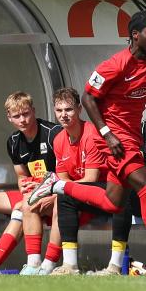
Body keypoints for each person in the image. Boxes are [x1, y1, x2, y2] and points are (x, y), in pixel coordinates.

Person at [28, 11, 146, 275]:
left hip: (132, 137)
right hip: (113, 140)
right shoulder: (116, 63)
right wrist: (106, 133)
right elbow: (88, 98)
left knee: (113, 202)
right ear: (135, 35)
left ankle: (58, 184)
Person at [0, 92, 60, 273]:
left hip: (54, 194)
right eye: (17, 116)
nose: (22, 120)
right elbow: (21, 176)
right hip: (31, 193)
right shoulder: (13, 141)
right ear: (9, 118)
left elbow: (66, 174)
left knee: (23, 207)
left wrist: (40, 189)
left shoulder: (53, 133)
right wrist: (24, 185)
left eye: (26, 113)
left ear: (34, 111)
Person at [46, 87, 124, 275]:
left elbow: (91, 178)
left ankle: (114, 265)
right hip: (87, 197)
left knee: (64, 194)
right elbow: (64, 181)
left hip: (107, 192)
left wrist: (58, 188)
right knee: (61, 197)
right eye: (59, 110)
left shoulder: (92, 134)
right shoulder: (58, 140)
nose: (64, 115)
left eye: (69, 110)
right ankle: (68, 265)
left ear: (80, 109)